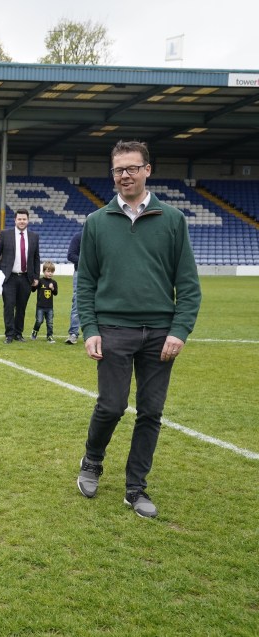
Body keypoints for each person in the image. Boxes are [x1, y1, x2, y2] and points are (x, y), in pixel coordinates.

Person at [75, 140, 201, 519]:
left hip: (161, 334)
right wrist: (90, 328)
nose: (124, 175)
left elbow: (189, 284)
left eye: (132, 168)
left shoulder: (173, 220)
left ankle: (136, 487)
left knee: (150, 411)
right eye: (118, 170)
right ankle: (92, 461)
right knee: (111, 405)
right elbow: (86, 283)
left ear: (148, 170)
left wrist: (179, 329)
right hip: (113, 329)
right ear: (112, 174)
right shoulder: (97, 222)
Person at [0, 209, 40, 343]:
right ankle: (9, 334)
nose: (22, 221)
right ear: (15, 220)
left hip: (26, 277)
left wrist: (36, 277)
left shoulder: (34, 236)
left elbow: (36, 258)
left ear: (28, 220)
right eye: (19, 219)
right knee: (9, 305)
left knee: (21, 307)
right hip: (9, 277)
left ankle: (18, 333)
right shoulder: (5, 234)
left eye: (24, 219)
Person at [30, 261, 58, 343]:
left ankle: (49, 336)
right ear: (44, 271)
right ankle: (35, 331)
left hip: (50, 307)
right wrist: (34, 284)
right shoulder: (40, 281)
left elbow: (55, 293)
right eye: (48, 271)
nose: (50, 273)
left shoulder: (54, 282)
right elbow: (33, 290)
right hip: (40, 306)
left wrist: (52, 288)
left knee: (50, 322)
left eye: (52, 272)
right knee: (39, 321)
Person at [65, 230, 82, 344]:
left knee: (101, 302)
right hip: (81, 273)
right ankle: (73, 333)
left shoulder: (102, 236)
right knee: (77, 303)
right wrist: (87, 262)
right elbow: (70, 255)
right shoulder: (78, 236)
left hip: (99, 273)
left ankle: (99, 334)